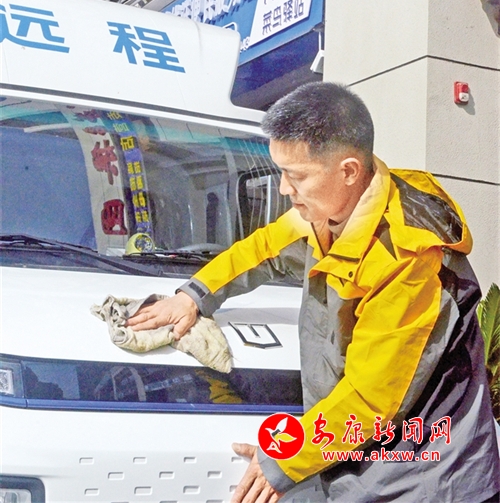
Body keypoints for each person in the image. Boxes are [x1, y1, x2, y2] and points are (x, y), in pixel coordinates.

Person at [127, 82, 500, 503]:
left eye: (297, 175)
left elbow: (370, 401)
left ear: (348, 171)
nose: (284, 189)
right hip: (350, 450)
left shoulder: (409, 259)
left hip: (423, 474)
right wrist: (193, 295)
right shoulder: (331, 209)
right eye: (281, 172)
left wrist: (283, 459)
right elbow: (264, 249)